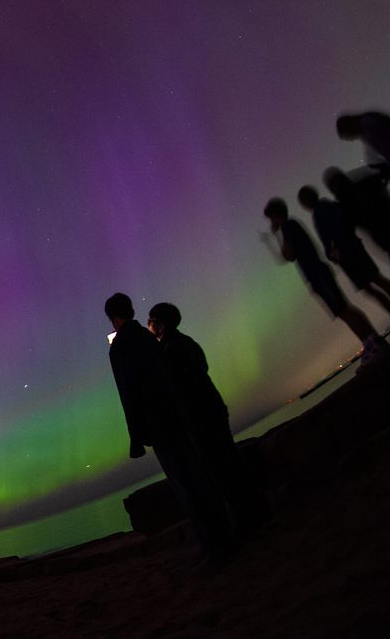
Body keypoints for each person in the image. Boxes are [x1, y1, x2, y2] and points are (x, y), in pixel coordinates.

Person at [105, 292, 234, 562]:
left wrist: (136, 437)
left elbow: (127, 392)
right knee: (198, 474)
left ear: (113, 318)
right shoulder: (149, 338)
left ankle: (214, 545)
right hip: (178, 415)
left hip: (157, 423)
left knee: (184, 483)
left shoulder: (119, 348)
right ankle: (226, 533)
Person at [147, 303, 272, 536]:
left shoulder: (170, 349)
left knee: (220, 467)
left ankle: (248, 517)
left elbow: (173, 383)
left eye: (151, 320)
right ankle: (258, 510)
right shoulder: (185, 342)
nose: (148, 325)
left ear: (161, 324)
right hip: (211, 408)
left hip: (200, 415)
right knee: (230, 460)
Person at [263, 198, 387, 359]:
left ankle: (371, 344)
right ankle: (373, 341)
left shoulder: (288, 226)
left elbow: (288, 256)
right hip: (320, 272)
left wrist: (276, 236)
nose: (271, 221)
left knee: (343, 311)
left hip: (317, 274)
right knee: (345, 309)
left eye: (271, 217)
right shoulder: (292, 225)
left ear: (275, 214)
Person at [299, 185, 390, 314]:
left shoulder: (321, 211)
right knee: (375, 282)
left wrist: (333, 250)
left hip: (349, 254)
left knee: (373, 284)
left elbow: (331, 234)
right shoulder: (328, 206)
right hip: (351, 251)